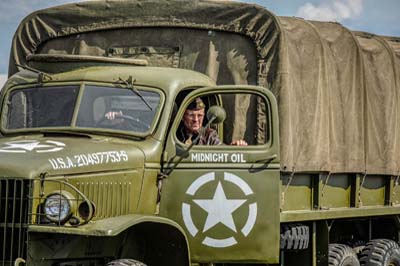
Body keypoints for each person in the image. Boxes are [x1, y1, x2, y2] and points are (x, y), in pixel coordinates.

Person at [177, 97, 248, 146]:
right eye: (191, 115)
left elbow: (220, 149)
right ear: (182, 117)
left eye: (199, 115)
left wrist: (232, 147)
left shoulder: (209, 135)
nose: (195, 120)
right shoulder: (175, 134)